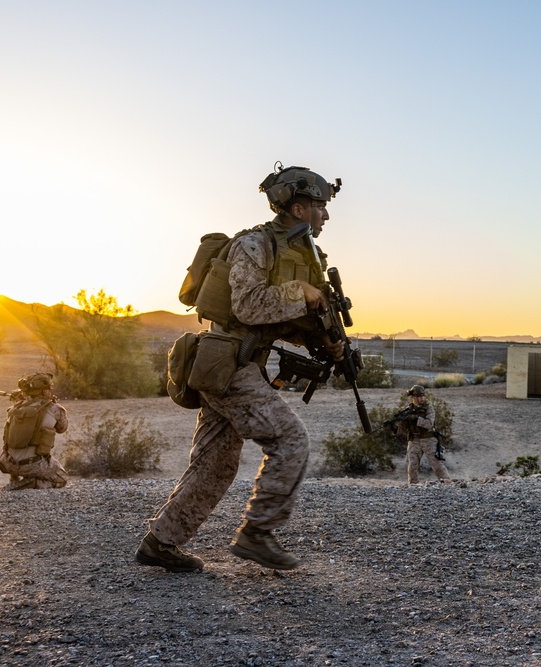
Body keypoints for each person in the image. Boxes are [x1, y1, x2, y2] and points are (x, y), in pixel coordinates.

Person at [136, 163, 347, 573]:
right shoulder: (254, 245)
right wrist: (301, 292)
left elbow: (279, 319)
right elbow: (249, 306)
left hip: (237, 364)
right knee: (290, 439)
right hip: (227, 363)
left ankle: (160, 543)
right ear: (299, 208)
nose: (326, 215)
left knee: (216, 463)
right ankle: (257, 533)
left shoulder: (303, 253)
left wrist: (325, 342)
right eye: (320, 206)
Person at [0, 372, 69, 490]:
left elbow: (21, 424)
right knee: (62, 478)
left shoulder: (14, 408)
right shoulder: (55, 409)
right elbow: (62, 428)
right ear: (44, 391)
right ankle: (33, 483)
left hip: (7, 463)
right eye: (49, 389)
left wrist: (19, 402)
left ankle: (14, 479)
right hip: (33, 464)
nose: (51, 391)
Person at [399, 384, 450, 484]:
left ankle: (447, 484)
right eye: (418, 396)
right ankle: (413, 486)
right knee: (412, 465)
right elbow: (403, 430)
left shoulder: (429, 408)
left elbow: (429, 424)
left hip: (429, 439)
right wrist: (398, 424)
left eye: (422, 396)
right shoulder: (408, 410)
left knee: (437, 465)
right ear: (413, 397)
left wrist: (416, 419)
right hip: (414, 440)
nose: (421, 398)